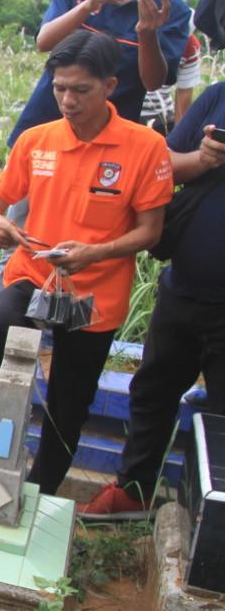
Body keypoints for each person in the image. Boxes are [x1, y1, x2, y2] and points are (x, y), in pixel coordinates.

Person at [0, 0, 192, 372]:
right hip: (44, 133)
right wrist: (92, 4)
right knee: (20, 233)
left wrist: (147, 29)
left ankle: (56, 343)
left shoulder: (171, 10)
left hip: (114, 146)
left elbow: (156, 78)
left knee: (87, 243)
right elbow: (45, 42)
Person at [0, 31, 174, 493]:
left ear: (110, 86)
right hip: (34, 273)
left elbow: (151, 232)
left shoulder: (143, 148)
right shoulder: (36, 141)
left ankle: (44, 484)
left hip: (96, 289)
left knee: (71, 396)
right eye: (59, 88)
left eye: (80, 90)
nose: (67, 100)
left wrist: (96, 252)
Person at [79, 80, 225, 520]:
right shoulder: (219, 96)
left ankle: (209, 517)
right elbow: (164, 165)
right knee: (153, 388)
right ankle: (134, 490)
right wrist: (203, 159)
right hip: (184, 287)